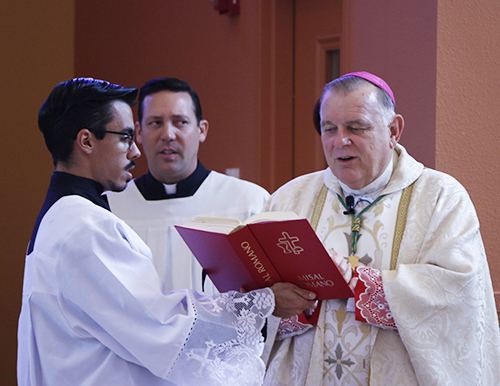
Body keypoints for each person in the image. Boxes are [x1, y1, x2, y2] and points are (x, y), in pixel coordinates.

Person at [17, 77, 317, 386]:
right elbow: (164, 326)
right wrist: (263, 305)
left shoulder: (63, 216)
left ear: (201, 129)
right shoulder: (86, 226)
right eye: (125, 137)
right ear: (86, 141)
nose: (135, 151)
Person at [262, 71, 500, 385]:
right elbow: (255, 300)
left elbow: (458, 295)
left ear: (393, 130)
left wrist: (358, 284)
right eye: (329, 129)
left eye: (356, 127)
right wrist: (281, 303)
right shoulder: (290, 198)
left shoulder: (441, 197)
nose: (340, 141)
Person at [107, 77, 270, 295]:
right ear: (138, 132)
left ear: (202, 130)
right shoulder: (110, 207)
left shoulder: (249, 203)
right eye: (155, 122)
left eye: (180, 122)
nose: (168, 135)